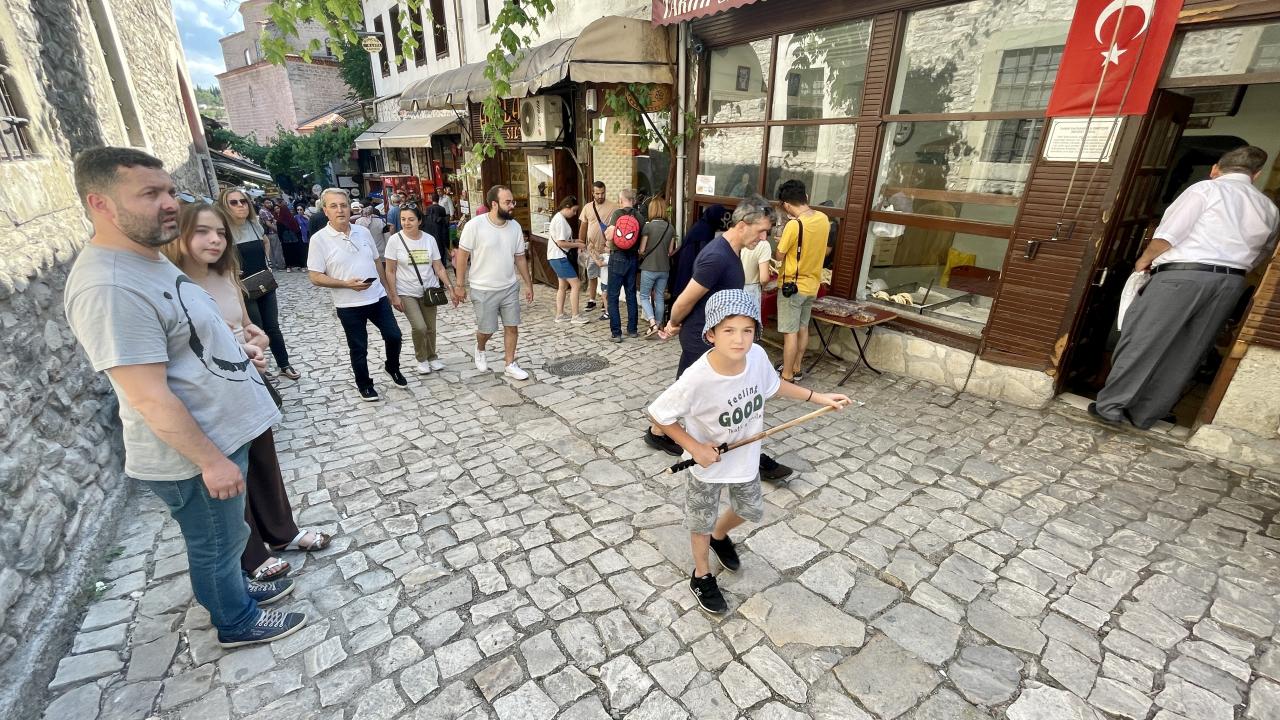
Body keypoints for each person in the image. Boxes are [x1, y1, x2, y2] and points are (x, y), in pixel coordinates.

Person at [64, 146, 306, 647]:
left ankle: (237, 594)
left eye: (170, 190)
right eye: (150, 194)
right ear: (101, 203)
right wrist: (211, 461)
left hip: (221, 434)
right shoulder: (110, 285)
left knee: (232, 536)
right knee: (217, 545)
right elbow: (148, 396)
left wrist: (245, 346)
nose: (169, 203)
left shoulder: (148, 262)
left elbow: (190, 342)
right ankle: (236, 621)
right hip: (195, 454)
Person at [648, 289, 851, 613]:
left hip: (744, 458)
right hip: (706, 467)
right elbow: (658, 413)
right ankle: (701, 575)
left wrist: (818, 397)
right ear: (711, 334)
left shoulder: (756, 356)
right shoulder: (698, 378)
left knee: (749, 509)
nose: (739, 339)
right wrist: (695, 447)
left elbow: (772, 386)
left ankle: (720, 534)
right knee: (699, 522)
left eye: (747, 329)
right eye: (729, 330)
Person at [162, 203, 333, 581]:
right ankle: (250, 553)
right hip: (209, 393)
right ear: (179, 236)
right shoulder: (171, 286)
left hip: (246, 382)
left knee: (264, 462)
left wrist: (257, 338)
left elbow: (242, 326)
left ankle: (281, 531)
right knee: (233, 472)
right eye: (202, 232)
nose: (215, 240)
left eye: (221, 233)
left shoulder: (225, 275)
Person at [1091, 146, 1279, 429]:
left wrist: (1143, 261)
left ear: (1216, 169)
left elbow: (1168, 236)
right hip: (1230, 282)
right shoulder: (1268, 208)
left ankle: (1111, 406)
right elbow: (1264, 252)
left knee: (1144, 339)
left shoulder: (1205, 190)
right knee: (1189, 350)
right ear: (1256, 175)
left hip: (1183, 276)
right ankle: (1144, 415)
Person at [648, 195, 795, 483]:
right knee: (716, 397)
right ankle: (732, 453)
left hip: (717, 334)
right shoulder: (718, 256)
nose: (765, 238)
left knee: (691, 388)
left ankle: (657, 432)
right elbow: (685, 298)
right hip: (704, 335)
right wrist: (674, 323)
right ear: (742, 225)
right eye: (762, 231)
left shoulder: (732, 250)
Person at [308, 188, 406, 401]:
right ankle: (365, 384)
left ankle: (392, 367)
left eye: (343, 205)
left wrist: (389, 292)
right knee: (359, 347)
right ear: (325, 210)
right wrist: (344, 284)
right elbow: (315, 276)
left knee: (394, 336)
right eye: (334, 206)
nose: (340, 210)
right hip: (348, 304)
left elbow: (375, 262)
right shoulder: (319, 240)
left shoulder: (362, 232)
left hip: (377, 297)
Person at [455, 185, 535, 380]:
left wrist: (528, 283)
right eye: (507, 202)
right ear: (493, 204)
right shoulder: (475, 226)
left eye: (512, 202)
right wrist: (459, 285)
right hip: (482, 288)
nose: (512, 206)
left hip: (509, 286)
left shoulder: (515, 227)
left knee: (512, 326)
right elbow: (462, 255)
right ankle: (480, 347)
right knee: (487, 329)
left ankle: (510, 363)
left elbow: (520, 258)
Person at [219, 188, 300, 380]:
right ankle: (259, 365)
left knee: (273, 326)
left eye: (243, 201)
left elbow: (265, 241)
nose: (240, 205)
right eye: (234, 202)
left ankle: (284, 363)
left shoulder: (254, 225)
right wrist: (231, 273)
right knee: (255, 328)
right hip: (243, 287)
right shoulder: (223, 231)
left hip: (263, 282)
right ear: (224, 206)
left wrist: (268, 262)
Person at [384, 204, 459, 375]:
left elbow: (439, 267)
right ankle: (421, 358)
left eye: (411, 219)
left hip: (429, 290)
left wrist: (450, 288)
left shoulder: (429, 239)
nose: (406, 223)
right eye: (403, 219)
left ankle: (432, 356)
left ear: (419, 220)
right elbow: (390, 270)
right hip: (406, 291)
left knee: (431, 327)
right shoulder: (395, 241)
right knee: (420, 327)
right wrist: (394, 295)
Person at [774, 180, 830, 382]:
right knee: (803, 328)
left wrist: (781, 242)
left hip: (792, 286)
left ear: (786, 205)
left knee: (790, 333)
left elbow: (779, 257)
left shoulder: (794, 225)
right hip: (812, 284)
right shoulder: (824, 219)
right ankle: (796, 367)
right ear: (806, 198)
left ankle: (786, 374)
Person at [605, 188, 643, 342]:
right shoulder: (640, 217)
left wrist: (608, 235)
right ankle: (632, 330)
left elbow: (610, 235)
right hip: (633, 258)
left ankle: (616, 333)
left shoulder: (617, 214)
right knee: (631, 294)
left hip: (618, 256)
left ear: (621, 200)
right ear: (633, 201)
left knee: (613, 296)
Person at [671, 205, 728, 301]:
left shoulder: (701, 225)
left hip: (686, 262)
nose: (721, 220)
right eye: (720, 217)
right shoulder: (706, 229)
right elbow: (704, 252)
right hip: (690, 264)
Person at [547, 195, 589, 323]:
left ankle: (560, 314)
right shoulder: (560, 220)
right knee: (575, 284)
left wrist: (575, 240)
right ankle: (575, 315)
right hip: (559, 257)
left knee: (563, 286)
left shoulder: (559, 218)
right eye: (574, 210)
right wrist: (577, 244)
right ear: (567, 207)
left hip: (555, 257)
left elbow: (563, 240)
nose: (575, 213)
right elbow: (561, 243)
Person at [638, 195, 675, 335]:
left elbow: (642, 250)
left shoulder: (648, 227)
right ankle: (659, 326)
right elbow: (670, 251)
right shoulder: (670, 227)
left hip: (648, 267)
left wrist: (642, 252)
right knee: (659, 296)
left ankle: (652, 323)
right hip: (664, 268)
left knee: (644, 296)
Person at [579, 181, 617, 312]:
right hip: (592, 249)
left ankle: (604, 301)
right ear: (592, 193)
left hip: (606, 249)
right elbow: (583, 226)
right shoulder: (587, 207)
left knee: (606, 277)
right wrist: (580, 243)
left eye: (603, 193)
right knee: (592, 275)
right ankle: (592, 299)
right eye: (597, 194)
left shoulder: (613, 206)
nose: (600, 196)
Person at [741, 222, 773, 307]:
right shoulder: (764, 245)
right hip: (751, 289)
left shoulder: (738, 239)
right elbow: (764, 278)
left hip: (731, 288)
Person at [274, 200, 306, 272]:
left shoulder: (279, 220)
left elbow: (279, 232)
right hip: (295, 239)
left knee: (287, 254)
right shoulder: (292, 219)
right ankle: (302, 267)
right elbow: (297, 229)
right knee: (297, 252)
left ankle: (289, 267)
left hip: (285, 241)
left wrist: (281, 240)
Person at [423, 200, 452, 268]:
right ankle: (442, 264)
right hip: (440, 232)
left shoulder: (428, 210)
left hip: (430, 232)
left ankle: (433, 264)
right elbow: (445, 223)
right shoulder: (442, 209)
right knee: (441, 249)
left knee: (432, 249)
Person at [258, 198, 284, 270]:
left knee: (271, 251)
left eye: (270, 202)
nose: (269, 204)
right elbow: (269, 224)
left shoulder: (264, 211)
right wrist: (278, 230)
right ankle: (281, 265)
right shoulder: (264, 211)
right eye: (267, 203)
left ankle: (274, 265)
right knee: (277, 249)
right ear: (263, 204)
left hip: (268, 234)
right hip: (272, 233)